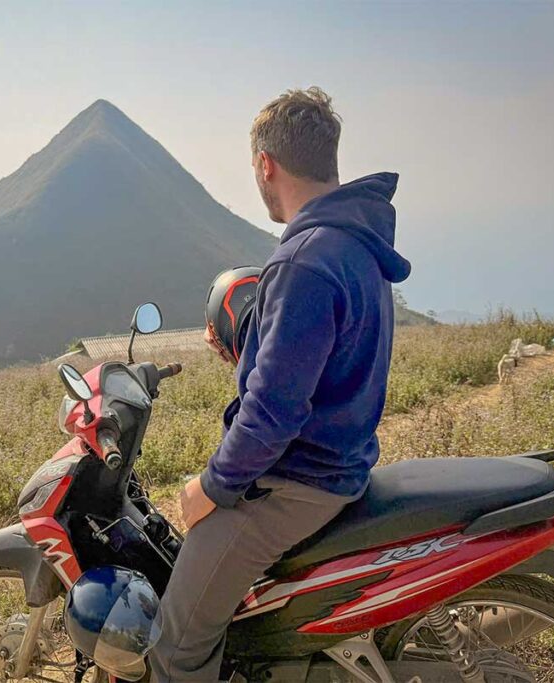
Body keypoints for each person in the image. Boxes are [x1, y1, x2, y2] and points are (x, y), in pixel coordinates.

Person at [148, 87, 412, 682]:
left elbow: (273, 414)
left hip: (295, 483)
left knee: (176, 641)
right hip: (340, 466)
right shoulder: (354, 244)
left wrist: (212, 487)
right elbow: (327, 365)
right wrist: (247, 359)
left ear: (266, 163)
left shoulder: (305, 259)